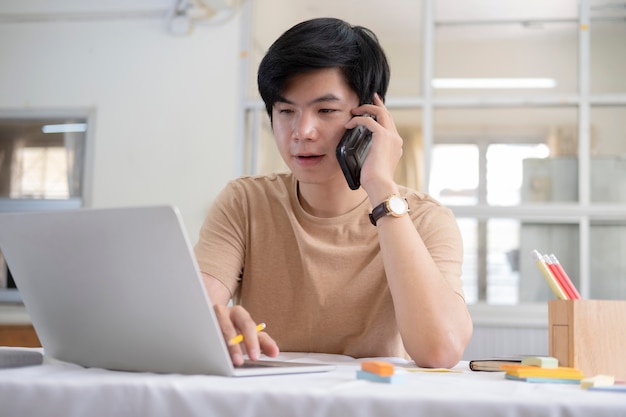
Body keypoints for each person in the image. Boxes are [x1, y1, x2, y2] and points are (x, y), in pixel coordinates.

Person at [194, 17, 473, 368]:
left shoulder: (425, 219)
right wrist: (214, 323)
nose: (302, 131)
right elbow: (189, 318)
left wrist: (381, 187)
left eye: (325, 110)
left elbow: (440, 351)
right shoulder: (245, 203)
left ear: (372, 116)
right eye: (285, 111)